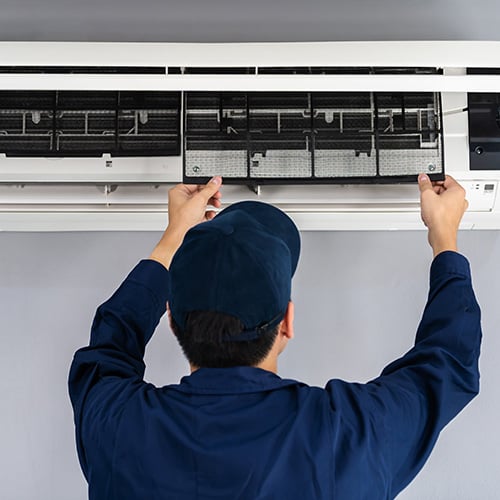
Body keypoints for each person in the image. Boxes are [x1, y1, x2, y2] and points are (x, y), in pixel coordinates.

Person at [69, 174, 481, 500]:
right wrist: (443, 234)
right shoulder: (351, 435)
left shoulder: (117, 430)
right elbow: (449, 362)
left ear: (171, 318)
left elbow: (108, 346)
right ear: (287, 322)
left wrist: (173, 238)